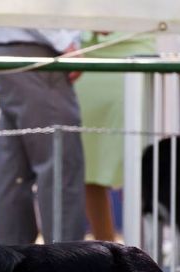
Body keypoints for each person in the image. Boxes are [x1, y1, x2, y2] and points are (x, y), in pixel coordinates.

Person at [0, 28, 86, 245]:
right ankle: (68, 262)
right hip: (37, 53)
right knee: (60, 169)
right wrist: (65, 42)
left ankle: (8, 260)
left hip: (12, 51)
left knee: (13, 172)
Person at [74, 32, 157, 241]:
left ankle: (143, 248)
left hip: (134, 53)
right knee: (89, 168)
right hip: (84, 56)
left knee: (139, 165)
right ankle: (106, 249)